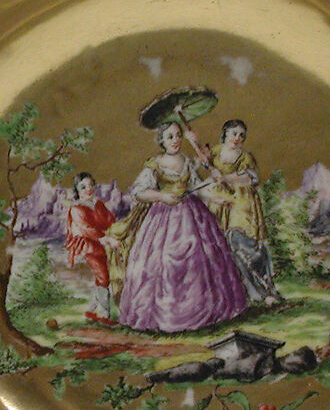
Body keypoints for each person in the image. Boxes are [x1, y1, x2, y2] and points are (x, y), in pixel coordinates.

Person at [113, 121, 248, 333]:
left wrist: (215, 198)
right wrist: (161, 196)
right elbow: (138, 192)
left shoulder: (186, 160)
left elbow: (196, 188)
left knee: (201, 256)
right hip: (163, 219)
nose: (175, 140)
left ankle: (203, 312)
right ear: (161, 140)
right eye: (170, 137)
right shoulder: (155, 164)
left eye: (178, 135)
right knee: (163, 261)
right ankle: (166, 318)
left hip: (193, 215)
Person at [192, 119, 283, 305]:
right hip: (220, 200)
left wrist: (225, 177)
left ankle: (265, 289)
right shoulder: (216, 151)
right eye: (234, 133)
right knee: (222, 244)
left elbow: (250, 179)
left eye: (242, 135)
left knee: (242, 241)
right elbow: (205, 165)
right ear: (225, 133)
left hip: (242, 200)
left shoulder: (245, 157)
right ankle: (237, 294)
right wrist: (199, 152)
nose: (237, 138)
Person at [64, 172, 118, 324]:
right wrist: (105, 238)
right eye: (83, 187)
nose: (88, 189)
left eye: (90, 185)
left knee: (101, 276)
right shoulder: (77, 209)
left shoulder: (98, 204)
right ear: (77, 191)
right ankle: (104, 314)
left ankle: (91, 310)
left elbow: (110, 220)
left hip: (101, 242)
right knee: (104, 276)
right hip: (88, 245)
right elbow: (87, 229)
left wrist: (115, 232)